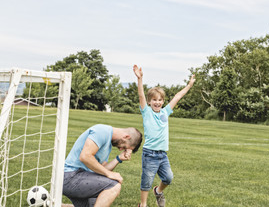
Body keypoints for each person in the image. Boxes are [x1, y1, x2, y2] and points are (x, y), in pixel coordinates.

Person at [133, 65, 196, 207]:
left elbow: (178, 96)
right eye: (154, 100)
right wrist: (140, 79)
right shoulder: (147, 112)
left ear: (163, 101)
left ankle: (158, 191)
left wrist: (189, 85)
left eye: (160, 100)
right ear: (149, 102)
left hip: (162, 155)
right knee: (146, 181)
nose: (157, 102)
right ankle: (143, 205)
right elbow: (141, 95)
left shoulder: (165, 112)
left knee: (168, 178)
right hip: (149, 153)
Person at [63, 124, 143, 207]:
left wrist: (118, 159)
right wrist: (109, 174)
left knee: (96, 203)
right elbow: (85, 156)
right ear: (126, 136)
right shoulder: (102, 131)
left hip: (81, 177)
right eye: (124, 146)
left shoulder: (108, 145)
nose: (120, 149)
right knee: (113, 186)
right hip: (70, 176)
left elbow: (101, 169)